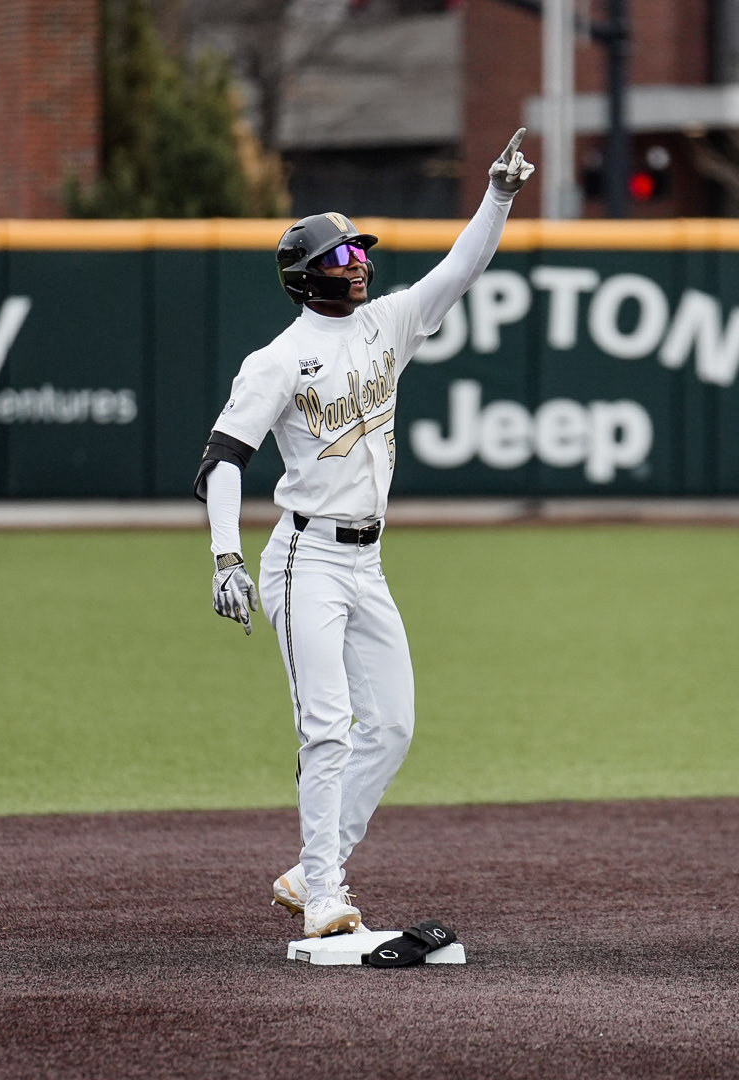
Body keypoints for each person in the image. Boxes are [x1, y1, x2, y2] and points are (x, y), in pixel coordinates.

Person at [194, 129, 535, 939]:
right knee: (328, 725)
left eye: (358, 253)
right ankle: (323, 896)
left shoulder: (387, 326)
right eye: (344, 255)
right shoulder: (278, 359)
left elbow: (461, 271)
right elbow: (221, 460)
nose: (359, 263)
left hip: (368, 560)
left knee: (394, 725)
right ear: (310, 275)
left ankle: (311, 867)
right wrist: (225, 555)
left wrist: (499, 196)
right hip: (303, 557)